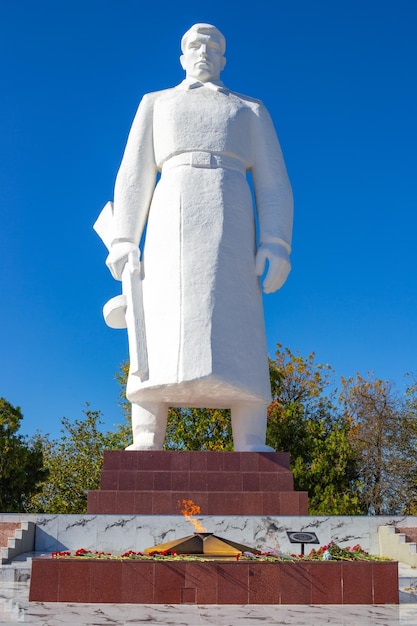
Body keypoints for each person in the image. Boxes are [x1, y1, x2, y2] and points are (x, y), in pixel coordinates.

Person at [98, 23, 293, 451]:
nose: (203, 52)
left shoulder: (249, 109)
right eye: (194, 45)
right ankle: (147, 438)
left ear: (223, 58)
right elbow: (134, 174)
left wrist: (276, 242)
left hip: (233, 218)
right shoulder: (157, 103)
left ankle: (251, 440)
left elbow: (274, 183)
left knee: (238, 327)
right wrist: (124, 239)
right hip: (170, 216)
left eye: (212, 46)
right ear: (183, 56)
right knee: (160, 324)